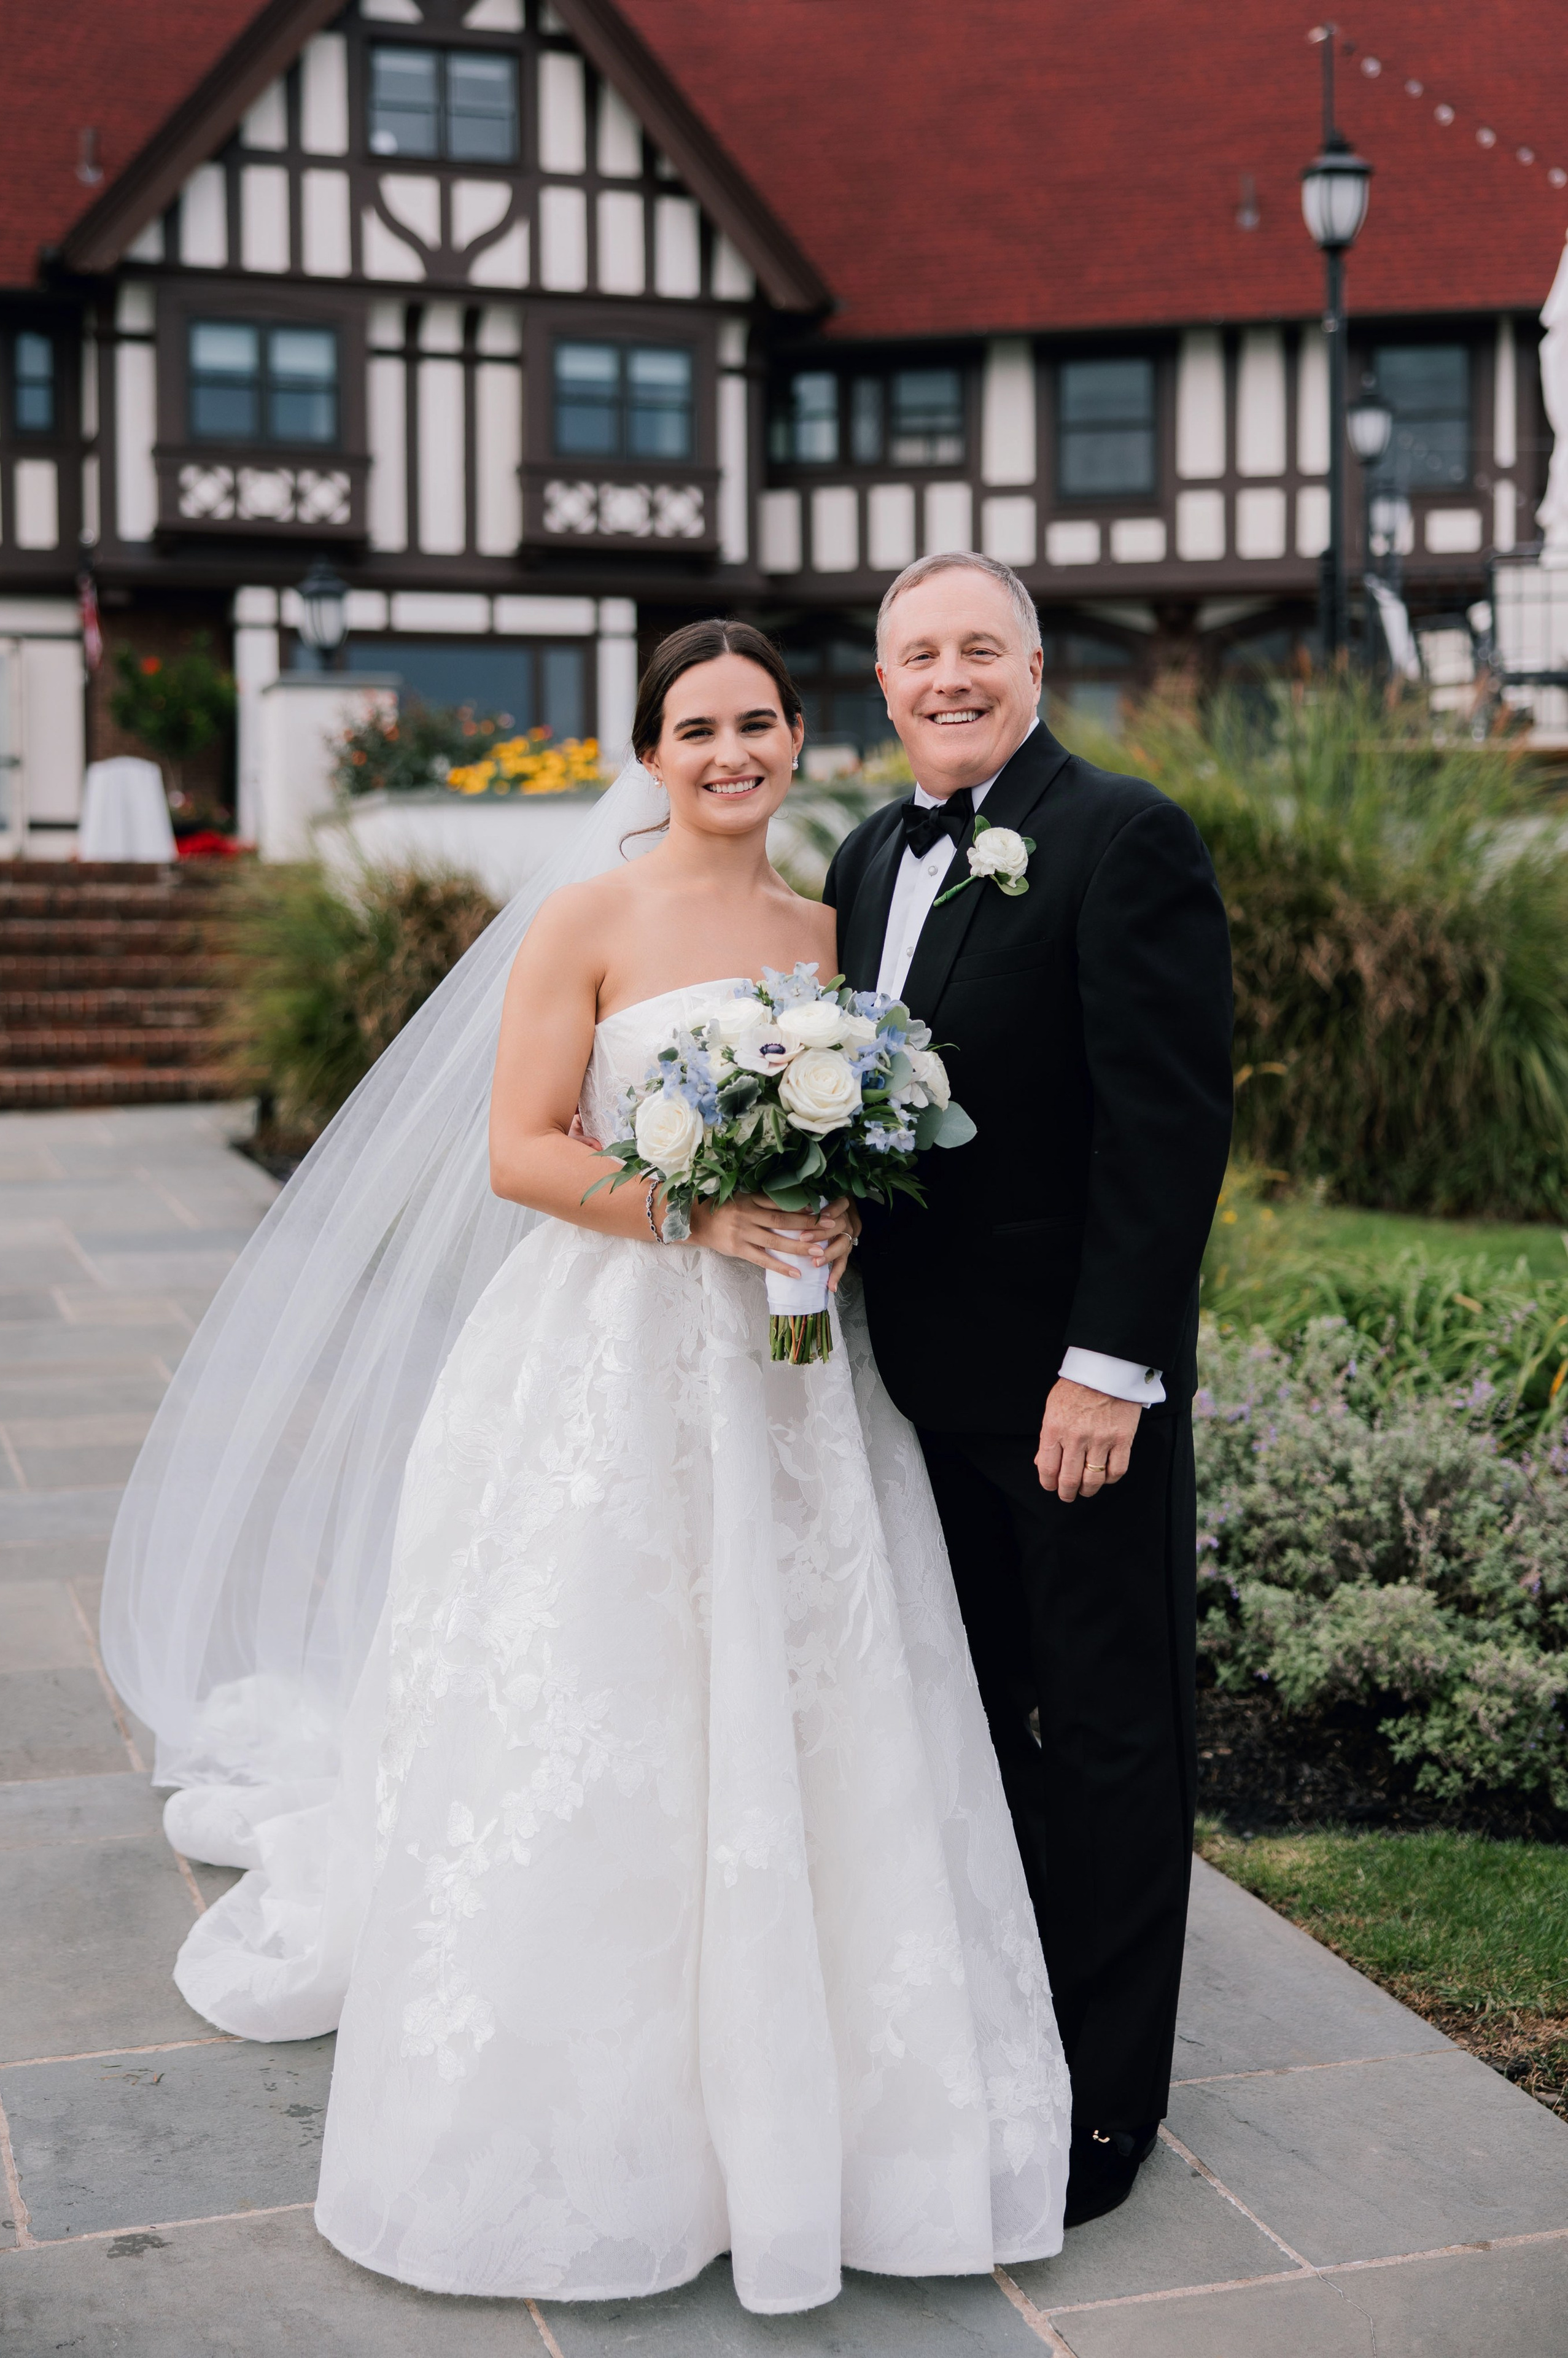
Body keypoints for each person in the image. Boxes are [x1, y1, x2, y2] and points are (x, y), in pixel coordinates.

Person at [106, 619, 1069, 2315]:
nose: (729, 753)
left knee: (812, 1690)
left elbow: (858, 1122)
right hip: (611, 1355)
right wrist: (702, 1203)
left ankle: (826, 2088)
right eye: (695, 727)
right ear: (649, 751)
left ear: (791, 739)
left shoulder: (825, 926)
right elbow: (518, 1150)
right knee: (605, 1686)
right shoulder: (589, 917)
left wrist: (826, 1203)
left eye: (757, 723)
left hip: (787, 1374)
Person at [824, 554, 1233, 2228]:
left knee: (1113, 1732)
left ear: (1039, 664)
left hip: (1071, 1398)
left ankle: (1110, 2105)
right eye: (917, 653)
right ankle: (1009, 2029)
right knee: (980, 1726)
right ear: (884, 682)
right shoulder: (862, 855)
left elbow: (1167, 1123)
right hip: (915, 1388)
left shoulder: (1123, 835)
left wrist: (1109, 1368)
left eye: (977, 647)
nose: (947, 676)